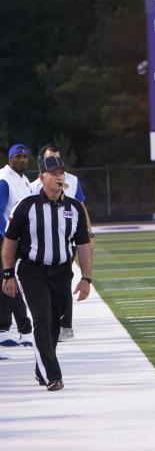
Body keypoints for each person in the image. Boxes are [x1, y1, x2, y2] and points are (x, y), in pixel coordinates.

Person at [1, 155, 92, 390]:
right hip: (32, 270)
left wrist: (86, 278)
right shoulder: (27, 205)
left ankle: (41, 369)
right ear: (41, 178)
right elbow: (10, 241)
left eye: (61, 173)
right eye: (53, 173)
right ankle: (53, 375)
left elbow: (83, 244)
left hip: (61, 272)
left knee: (54, 323)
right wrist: (8, 274)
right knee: (41, 317)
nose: (58, 177)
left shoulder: (74, 207)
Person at [32, 144, 90, 339]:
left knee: (64, 282)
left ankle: (65, 325)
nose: (55, 162)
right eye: (50, 158)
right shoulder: (34, 185)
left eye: (57, 158)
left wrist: (89, 232)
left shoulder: (72, 180)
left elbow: (80, 205)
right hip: (42, 244)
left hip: (67, 240)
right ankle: (49, 324)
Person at [0, 143, 35, 347]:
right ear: (10, 158)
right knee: (10, 280)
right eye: (17, 157)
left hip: (18, 239)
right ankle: (25, 329)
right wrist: (7, 238)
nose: (21, 160)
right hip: (5, 239)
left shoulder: (24, 180)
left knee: (6, 283)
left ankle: (3, 329)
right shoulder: (4, 179)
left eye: (24, 157)